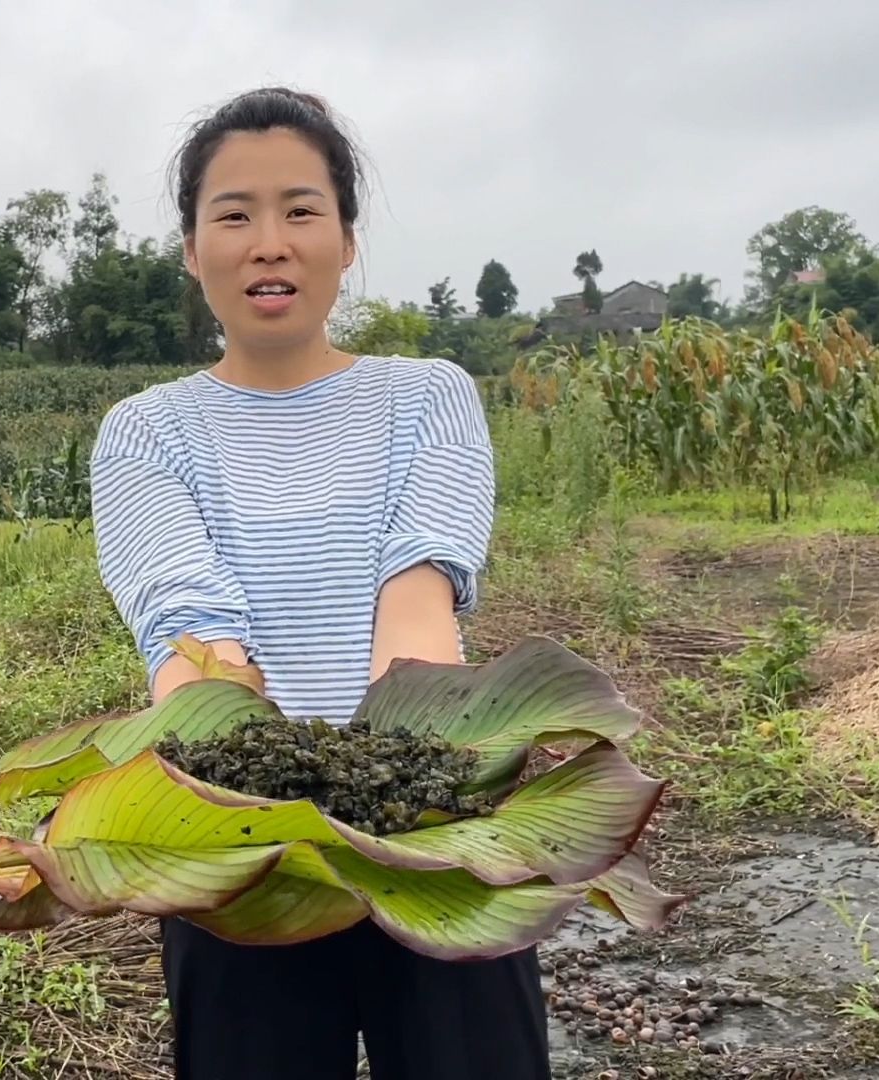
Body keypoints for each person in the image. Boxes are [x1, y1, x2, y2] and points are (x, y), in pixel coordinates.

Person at [87, 87, 552, 1080]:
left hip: (433, 829)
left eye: (301, 210)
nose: (269, 242)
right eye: (234, 214)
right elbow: (197, 649)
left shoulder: (429, 398)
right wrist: (285, 814)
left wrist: (384, 805)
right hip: (243, 857)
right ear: (190, 247)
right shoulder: (146, 432)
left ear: (345, 238)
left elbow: (418, 609)